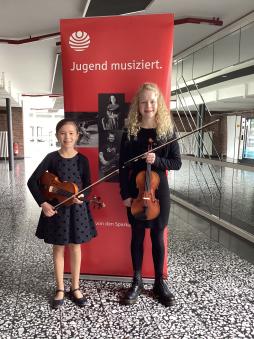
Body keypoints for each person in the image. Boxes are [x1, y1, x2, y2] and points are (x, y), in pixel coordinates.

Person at [119, 83, 182, 306]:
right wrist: (124, 193)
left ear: (159, 104)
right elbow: (122, 166)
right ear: (138, 104)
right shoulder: (130, 131)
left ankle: (159, 283)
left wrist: (158, 160)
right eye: (144, 102)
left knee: (157, 237)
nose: (148, 106)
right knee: (136, 237)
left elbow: (176, 163)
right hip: (136, 191)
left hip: (159, 192)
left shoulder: (167, 131)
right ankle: (137, 281)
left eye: (152, 101)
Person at [27, 118, 97, 309]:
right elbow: (33, 181)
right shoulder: (51, 157)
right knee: (58, 249)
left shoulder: (82, 159)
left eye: (71, 133)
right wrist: (43, 203)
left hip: (76, 210)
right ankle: (60, 288)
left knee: (75, 248)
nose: (67, 137)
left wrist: (82, 195)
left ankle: (75, 287)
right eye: (63, 133)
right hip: (57, 209)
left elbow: (88, 186)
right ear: (57, 135)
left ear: (77, 136)